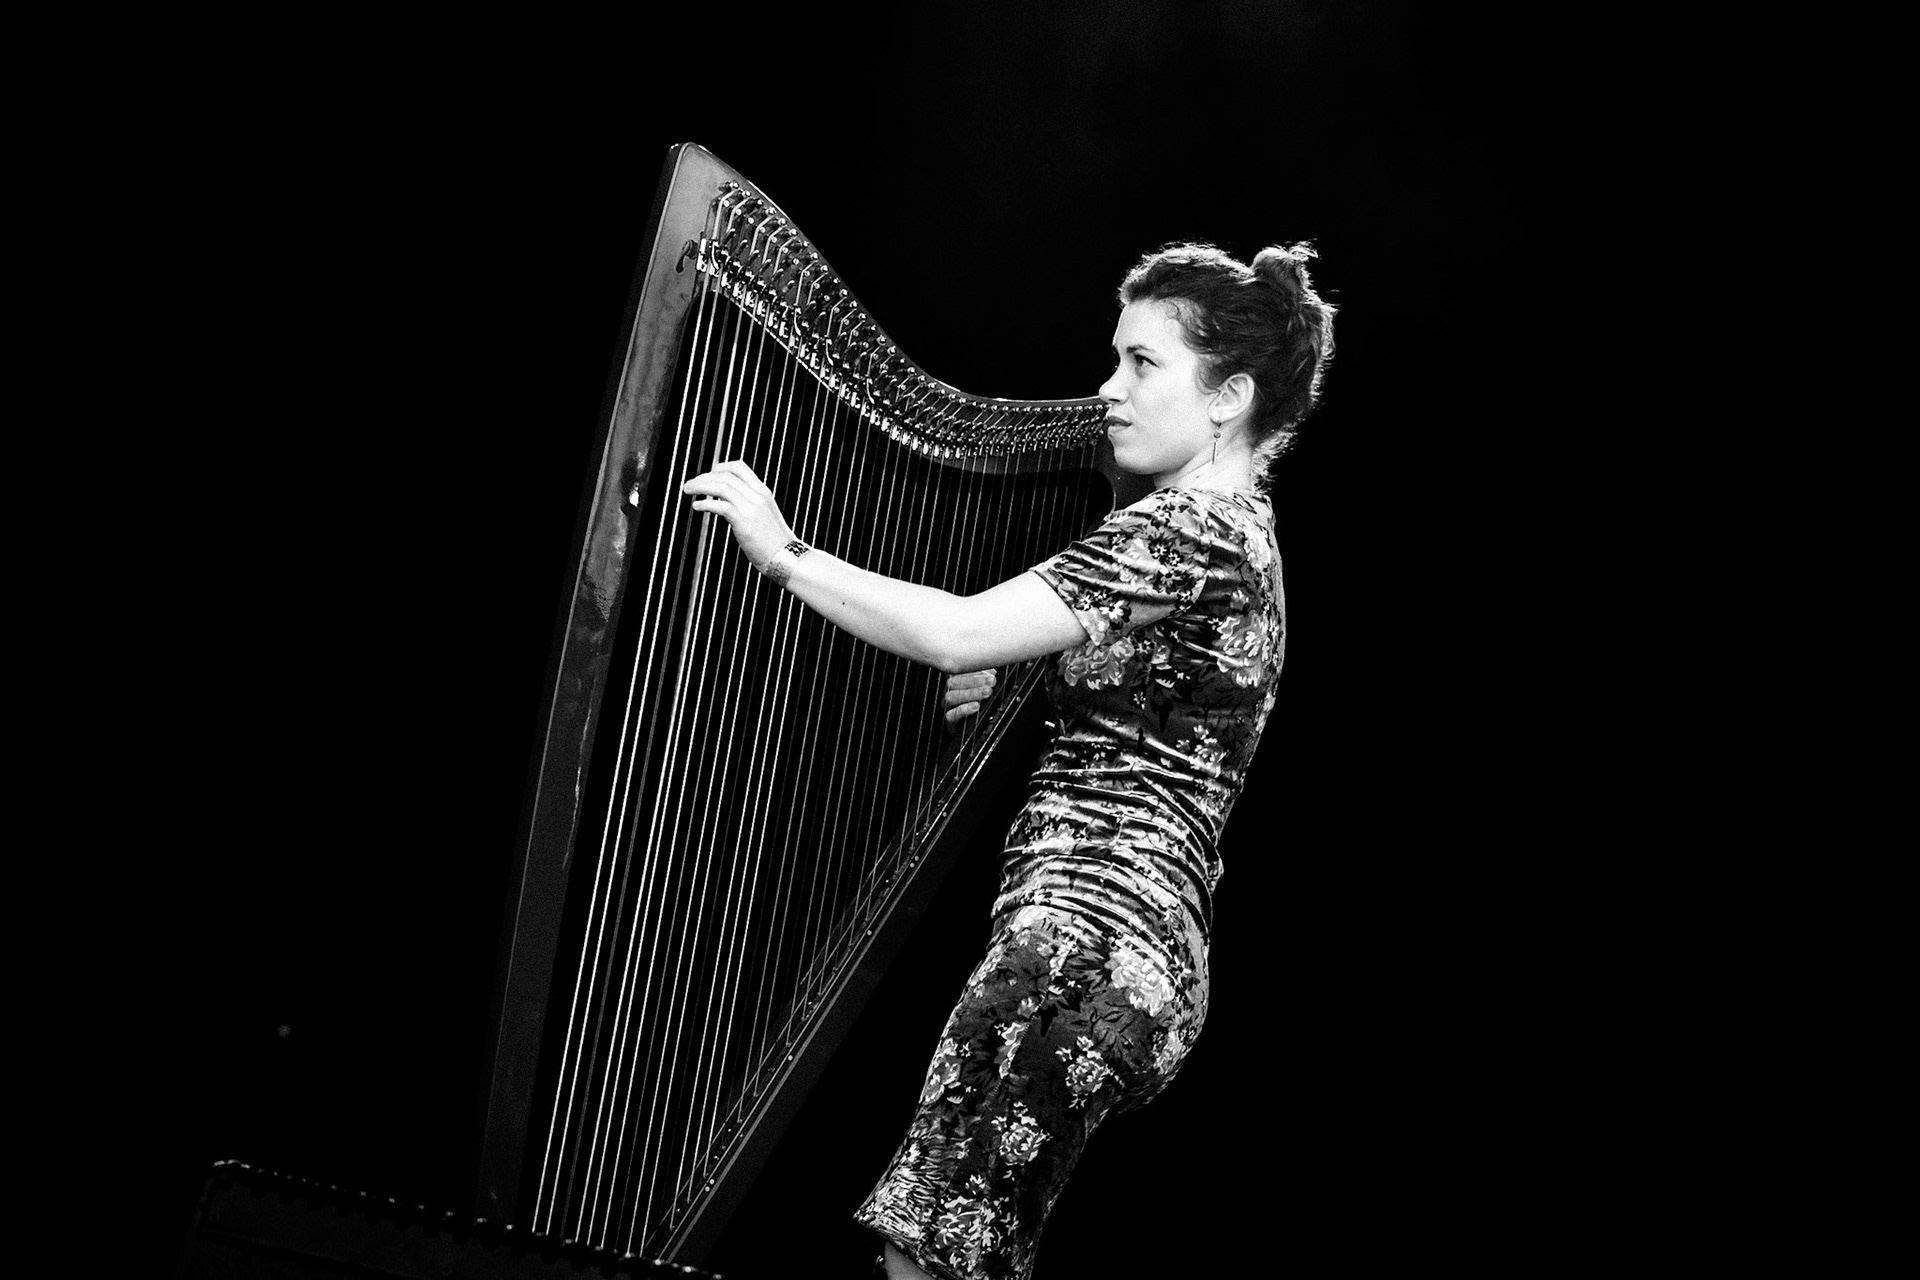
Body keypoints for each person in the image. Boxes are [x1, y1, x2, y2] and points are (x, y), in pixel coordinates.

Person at [682, 241, 1335, 1280]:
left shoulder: (1190, 528)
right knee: (945, 1255)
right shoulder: (1240, 532)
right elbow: (1152, 725)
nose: (1109, 388)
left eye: (1143, 363)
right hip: (1131, 955)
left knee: (927, 1257)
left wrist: (782, 551)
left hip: (1082, 945)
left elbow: (953, 631)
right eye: (1115, 358)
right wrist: (1023, 690)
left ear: (1230, 397)